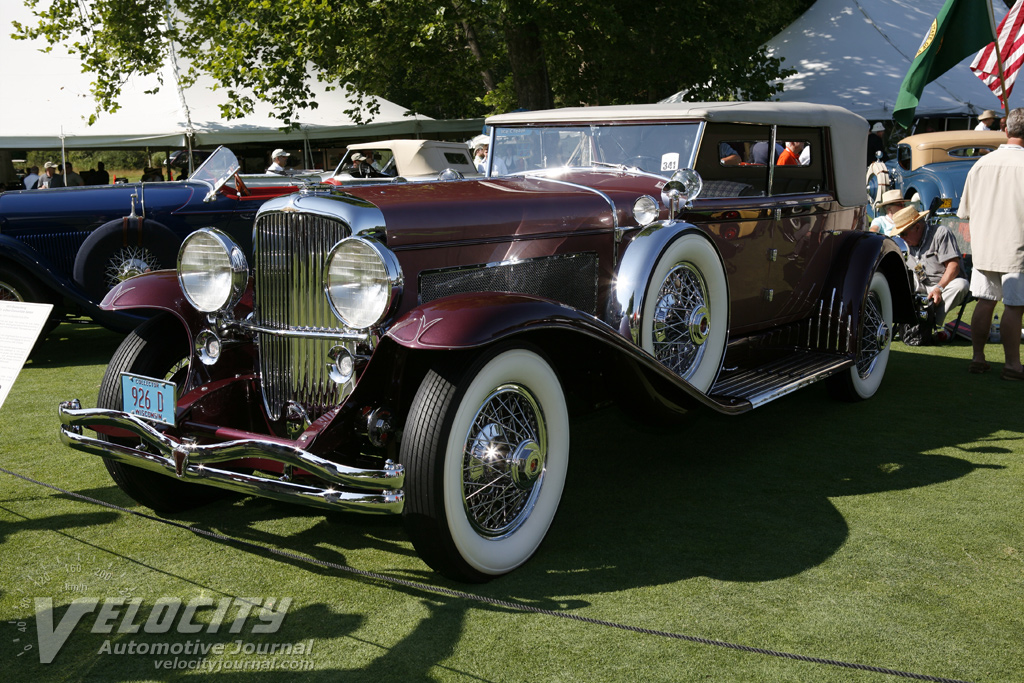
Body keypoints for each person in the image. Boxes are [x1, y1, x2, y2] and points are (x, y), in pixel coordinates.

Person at [958, 107, 1024, 379]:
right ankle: (1011, 364)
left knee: (985, 302)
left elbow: (964, 214)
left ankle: (978, 357)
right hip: (1016, 246)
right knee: (1013, 306)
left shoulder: (981, 164)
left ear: (1006, 130)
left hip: (986, 245)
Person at [889, 205, 969, 342]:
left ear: (918, 227)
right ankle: (898, 322)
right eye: (899, 234)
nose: (902, 237)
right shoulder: (905, 243)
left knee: (961, 285)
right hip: (920, 285)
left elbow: (953, 266)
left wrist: (939, 288)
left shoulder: (940, 233)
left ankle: (926, 323)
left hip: (944, 285)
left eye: (904, 233)